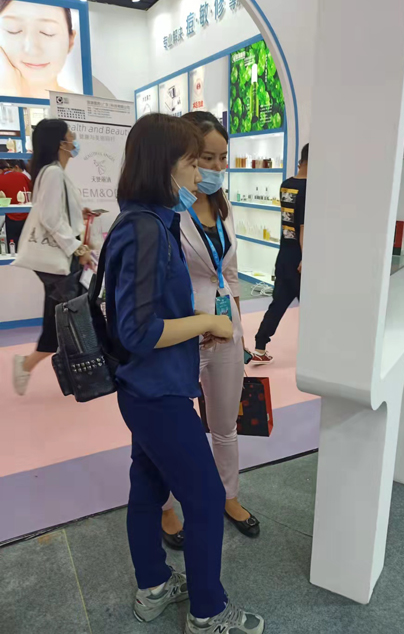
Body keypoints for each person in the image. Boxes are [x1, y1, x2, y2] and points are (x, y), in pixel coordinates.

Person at [105, 113, 264, 633]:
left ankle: (153, 586)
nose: (201, 175)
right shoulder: (146, 230)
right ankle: (208, 612)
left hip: (150, 386)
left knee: (148, 486)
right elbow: (138, 330)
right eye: (193, 162)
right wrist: (208, 321)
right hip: (157, 392)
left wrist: (202, 323)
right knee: (205, 496)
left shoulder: (148, 220)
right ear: (164, 165)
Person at [161, 111, 260, 549]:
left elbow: (231, 273)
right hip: (182, 332)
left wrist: (240, 330)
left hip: (225, 331)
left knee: (225, 424)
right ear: (185, 156)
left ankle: (229, 496)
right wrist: (198, 320)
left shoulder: (223, 205)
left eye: (223, 158)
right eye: (207, 158)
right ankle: (166, 506)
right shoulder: (167, 209)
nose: (218, 167)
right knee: (171, 429)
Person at [13, 119, 92, 396]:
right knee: (72, 318)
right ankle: (79, 375)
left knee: (60, 319)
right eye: (71, 136)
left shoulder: (53, 172)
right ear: (61, 143)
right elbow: (49, 218)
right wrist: (77, 248)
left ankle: (28, 365)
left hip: (59, 260)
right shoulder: (54, 173)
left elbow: (55, 213)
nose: (75, 140)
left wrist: (79, 214)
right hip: (60, 259)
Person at [251, 143, 309, 364]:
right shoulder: (309, 188)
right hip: (300, 258)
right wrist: (305, 257)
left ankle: (260, 347)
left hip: (284, 254)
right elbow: (303, 227)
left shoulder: (286, 185)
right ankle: (314, 354)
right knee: (312, 309)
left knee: (278, 303)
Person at [0, 0, 77, 99]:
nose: (32, 50)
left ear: (70, 41)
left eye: (48, 32)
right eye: (13, 30)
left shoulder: (81, 105)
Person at [0, 159, 31, 250]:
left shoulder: (1, 179)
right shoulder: (22, 176)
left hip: (11, 218)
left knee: (13, 247)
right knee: (27, 246)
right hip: (27, 216)